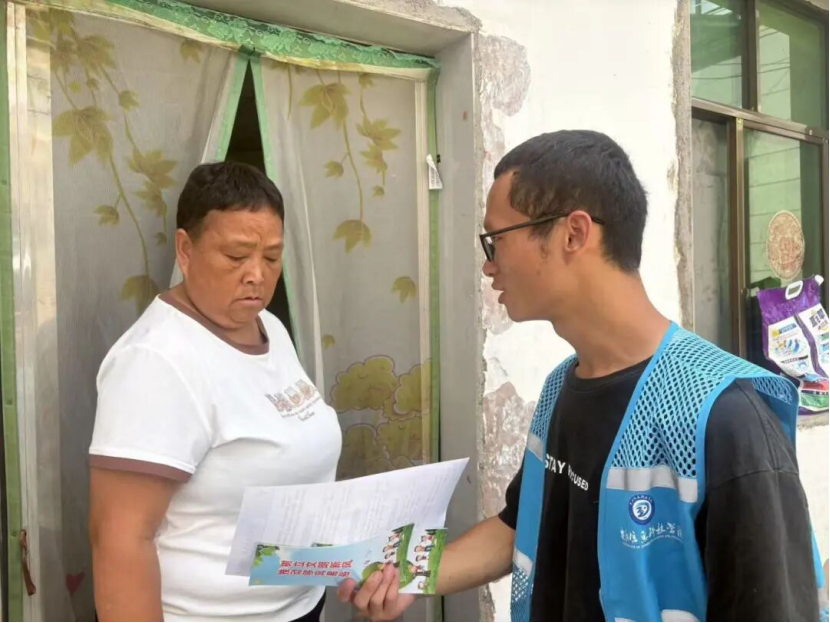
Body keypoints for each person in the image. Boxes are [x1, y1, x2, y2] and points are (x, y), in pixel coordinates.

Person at [338, 131, 829, 622]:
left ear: (573, 234)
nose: (488, 265)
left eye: (496, 239)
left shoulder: (727, 416)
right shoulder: (561, 387)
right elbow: (519, 526)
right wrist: (406, 573)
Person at [89, 162, 342, 622]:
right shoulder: (156, 361)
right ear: (185, 250)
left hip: (297, 605)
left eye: (272, 257)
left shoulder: (268, 326)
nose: (257, 275)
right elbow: (119, 539)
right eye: (236, 256)